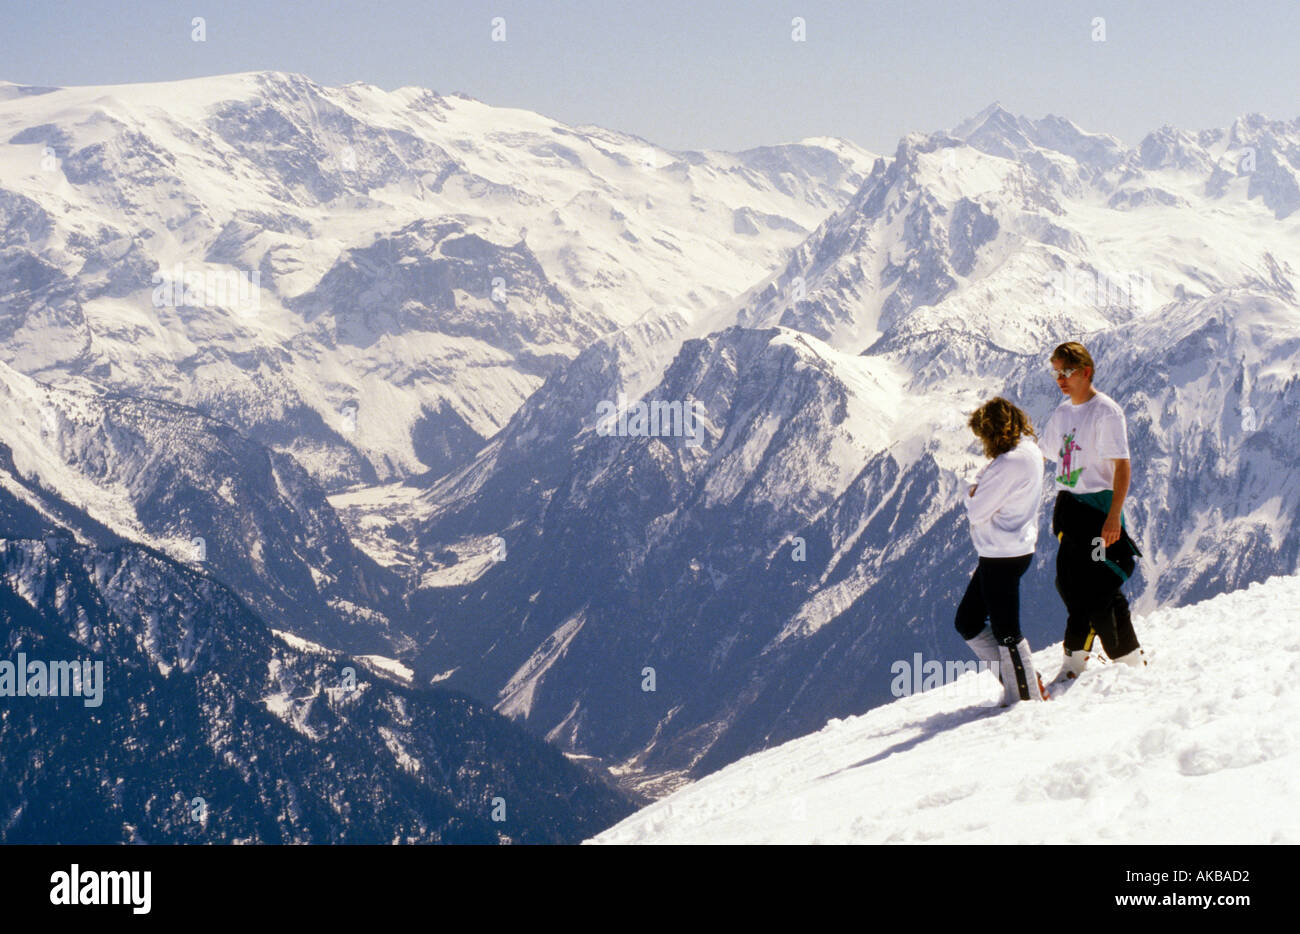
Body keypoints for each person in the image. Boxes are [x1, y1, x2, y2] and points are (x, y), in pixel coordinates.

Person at [1038, 342, 1146, 682]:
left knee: (1098, 588)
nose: (1060, 379)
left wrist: (1114, 516)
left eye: (1066, 372)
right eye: (1056, 372)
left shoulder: (1106, 412)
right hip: (1069, 505)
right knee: (1069, 583)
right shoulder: (1063, 412)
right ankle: (1084, 661)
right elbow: (1043, 453)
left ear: (1086, 372)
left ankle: (1122, 659)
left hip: (1098, 507)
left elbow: (1122, 467)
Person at [955, 397, 1049, 704]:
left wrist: (971, 494)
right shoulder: (1028, 452)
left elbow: (976, 509)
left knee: (1007, 631)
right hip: (1010, 551)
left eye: (984, 436)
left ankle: (1026, 698)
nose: (984, 444)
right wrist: (978, 487)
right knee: (968, 620)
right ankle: (1018, 681)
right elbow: (984, 480)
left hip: (1001, 556)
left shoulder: (1010, 462)